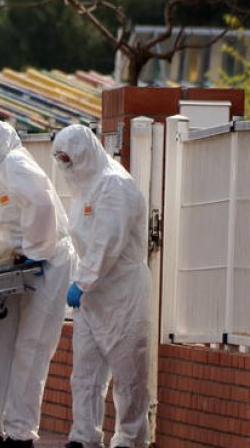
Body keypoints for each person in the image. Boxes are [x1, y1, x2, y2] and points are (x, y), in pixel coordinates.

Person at [0, 120, 77, 448]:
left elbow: (42, 205)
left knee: (32, 346)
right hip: (17, 264)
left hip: (47, 262)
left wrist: (36, 252)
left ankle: (20, 433)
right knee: (2, 344)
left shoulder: (14, 163)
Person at [51, 124, 152, 448]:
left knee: (129, 375)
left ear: (84, 154)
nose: (65, 166)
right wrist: (83, 284)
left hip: (122, 293)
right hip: (91, 297)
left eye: (69, 158)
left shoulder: (114, 185)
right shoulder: (85, 189)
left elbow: (107, 243)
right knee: (85, 375)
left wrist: (82, 281)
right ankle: (83, 437)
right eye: (60, 159)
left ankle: (130, 439)